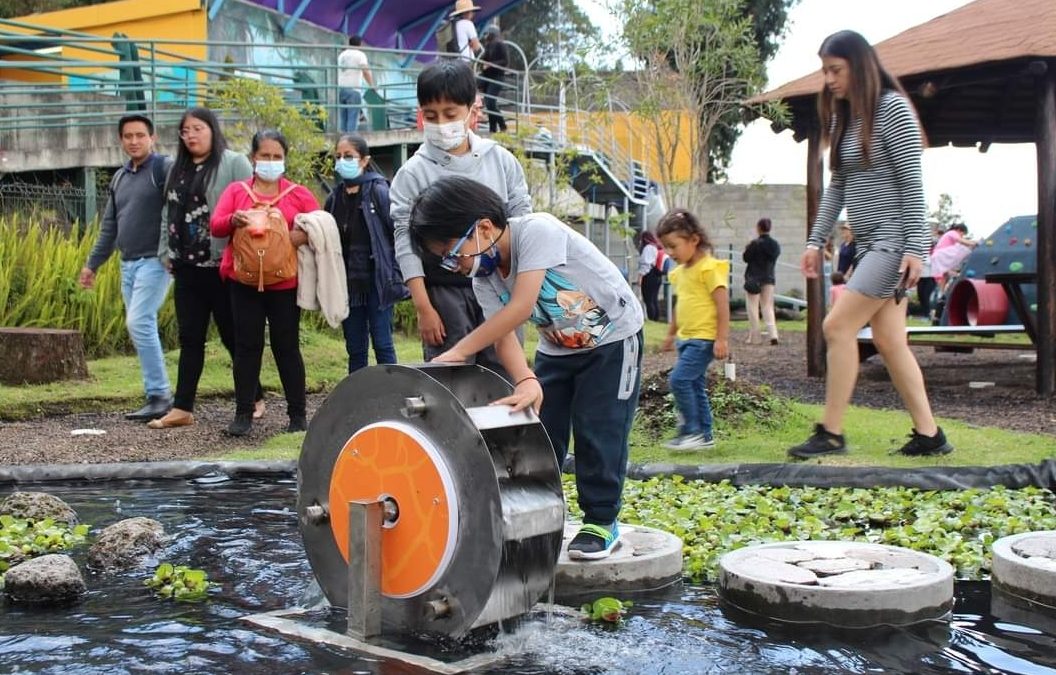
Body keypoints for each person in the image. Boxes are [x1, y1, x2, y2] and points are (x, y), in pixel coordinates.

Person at [409, 176, 644, 561]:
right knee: (540, 434)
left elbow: (519, 308)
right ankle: (540, 518)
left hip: (613, 341)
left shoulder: (537, 231)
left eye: (455, 253)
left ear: (483, 227)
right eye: (447, 260)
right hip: (558, 348)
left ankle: (602, 521)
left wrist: (459, 350)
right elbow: (505, 334)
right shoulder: (483, 275)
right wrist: (526, 379)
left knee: (599, 431)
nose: (456, 266)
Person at [789, 30, 953, 459]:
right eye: (825, 71)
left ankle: (831, 431)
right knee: (890, 341)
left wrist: (916, 248)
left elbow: (912, 184)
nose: (828, 80)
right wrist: (814, 240)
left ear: (859, 66)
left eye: (836, 70)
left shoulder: (892, 109)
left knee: (836, 327)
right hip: (867, 245)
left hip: (894, 242)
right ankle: (930, 435)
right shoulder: (843, 119)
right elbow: (837, 188)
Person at [391, 59, 530, 377]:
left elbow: (522, 222)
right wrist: (424, 307)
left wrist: (520, 290)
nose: (441, 123)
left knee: (505, 374)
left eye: (450, 114)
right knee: (451, 378)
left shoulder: (501, 161)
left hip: (498, 287)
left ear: (471, 109)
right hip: (445, 294)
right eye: (431, 116)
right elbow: (404, 240)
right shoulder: (412, 173)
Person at [151, 107, 264, 429]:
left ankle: (255, 396)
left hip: (222, 266)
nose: (191, 136)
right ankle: (182, 407)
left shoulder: (233, 162)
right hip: (185, 267)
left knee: (232, 336)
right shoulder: (177, 168)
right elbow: (167, 212)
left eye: (198, 128)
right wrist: (165, 251)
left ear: (212, 130)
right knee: (190, 338)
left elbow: (250, 208)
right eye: (185, 131)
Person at [211, 129, 320, 437]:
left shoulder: (299, 194)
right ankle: (243, 413)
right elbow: (216, 227)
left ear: (284, 160)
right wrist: (234, 219)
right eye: (264, 156)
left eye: (276, 157)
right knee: (247, 347)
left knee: (287, 347)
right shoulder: (237, 191)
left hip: (284, 284)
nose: (270, 162)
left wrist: (297, 236)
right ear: (253, 158)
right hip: (242, 282)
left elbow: (321, 226)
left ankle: (298, 416)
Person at [80, 114, 173, 422]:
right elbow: (110, 226)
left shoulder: (162, 169)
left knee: (139, 321)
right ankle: (155, 394)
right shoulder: (120, 177)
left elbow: (179, 208)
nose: (134, 141)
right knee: (139, 324)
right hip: (127, 263)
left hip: (155, 262)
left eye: (140, 135)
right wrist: (92, 265)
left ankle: (160, 395)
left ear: (152, 137)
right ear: (121, 140)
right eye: (128, 136)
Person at [326, 134, 408, 373]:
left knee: (383, 344)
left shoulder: (379, 191)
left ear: (364, 160)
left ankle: (392, 395)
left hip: (378, 282)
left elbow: (398, 232)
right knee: (355, 348)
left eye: (349, 156)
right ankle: (359, 400)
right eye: (338, 157)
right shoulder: (334, 198)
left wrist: (396, 272)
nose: (342, 161)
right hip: (348, 284)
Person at [658, 209, 729, 451]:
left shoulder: (709, 269)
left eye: (673, 246)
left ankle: (691, 431)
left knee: (678, 380)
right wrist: (671, 333)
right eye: (666, 247)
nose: (669, 253)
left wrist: (721, 339)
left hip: (704, 339)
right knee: (695, 385)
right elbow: (681, 304)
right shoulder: (680, 272)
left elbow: (722, 306)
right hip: (686, 339)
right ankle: (705, 435)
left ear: (694, 240)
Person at [741, 217, 781, 345]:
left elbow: (746, 258)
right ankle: (773, 334)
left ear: (758, 228)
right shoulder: (775, 245)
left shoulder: (754, 244)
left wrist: (747, 246)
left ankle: (755, 337)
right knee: (768, 306)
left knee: (753, 308)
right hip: (769, 277)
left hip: (753, 278)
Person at [337, 35, 375, 133]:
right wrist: (372, 85)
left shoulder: (342, 55)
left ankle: (343, 139)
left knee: (343, 118)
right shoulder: (360, 54)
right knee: (352, 118)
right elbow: (365, 70)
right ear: (360, 44)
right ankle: (350, 139)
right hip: (353, 89)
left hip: (341, 89)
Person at [479, 24, 508, 133]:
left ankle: (502, 125)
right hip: (488, 77)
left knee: (491, 102)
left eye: (488, 34)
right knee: (489, 103)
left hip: (497, 77)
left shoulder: (501, 45)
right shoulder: (488, 46)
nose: (486, 36)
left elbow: (505, 61)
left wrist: (491, 64)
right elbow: (484, 61)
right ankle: (493, 128)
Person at [636, 230, 666, 322]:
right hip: (657, 275)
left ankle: (652, 318)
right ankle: (656, 319)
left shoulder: (648, 248)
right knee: (654, 299)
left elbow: (646, 264)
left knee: (648, 299)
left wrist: (640, 277)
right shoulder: (656, 247)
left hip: (649, 275)